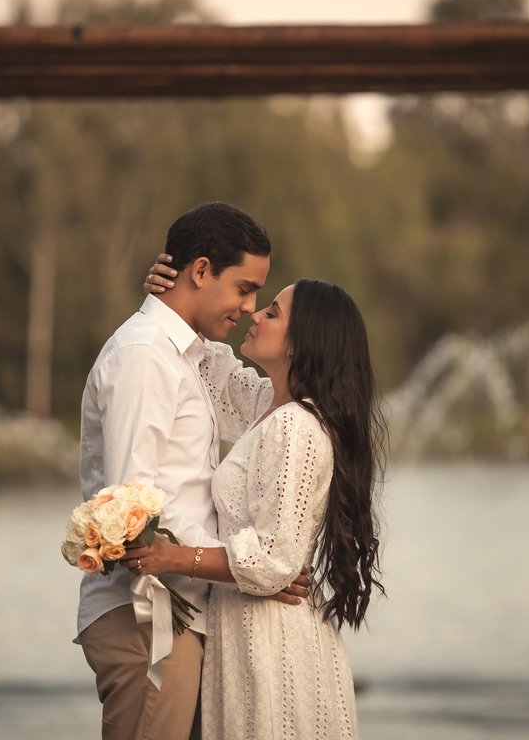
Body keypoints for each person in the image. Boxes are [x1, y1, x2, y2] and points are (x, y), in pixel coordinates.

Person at [73, 202, 308, 740]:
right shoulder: (143, 356)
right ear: (201, 271)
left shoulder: (187, 357)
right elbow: (131, 513)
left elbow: (267, 408)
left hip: (180, 614)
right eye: (244, 289)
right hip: (148, 616)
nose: (250, 308)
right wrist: (249, 568)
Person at [123, 265, 386, 740]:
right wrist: (173, 297)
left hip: (272, 641)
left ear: (300, 344)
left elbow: (273, 563)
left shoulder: (297, 427)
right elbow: (212, 367)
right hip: (247, 629)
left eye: (273, 312)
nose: (254, 314)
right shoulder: (269, 405)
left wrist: (170, 557)